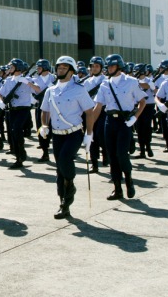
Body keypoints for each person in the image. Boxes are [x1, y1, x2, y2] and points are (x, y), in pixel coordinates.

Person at [39, 57, 95, 219]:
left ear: (71, 71)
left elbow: (89, 112)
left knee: (64, 160)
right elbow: (45, 110)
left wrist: (89, 134)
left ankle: (70, 186)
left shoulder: (79, 89)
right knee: (59, 170)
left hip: (74, 133)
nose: (60, 71)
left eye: (64, 68)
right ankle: (64, 203)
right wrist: (44, 125)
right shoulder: (51, 90)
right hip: (57, 135)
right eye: (59, 68)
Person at [92, 54, 146, 199]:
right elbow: (98, 107)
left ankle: (128, 181)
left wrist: (135, 117)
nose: (109, 68)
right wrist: (89, 128)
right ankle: (117, 188)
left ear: (119, 67)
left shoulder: (131, 82)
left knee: (122, 154)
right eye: (108, 66)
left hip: (124, 121)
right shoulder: (104, 84)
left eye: (112, 66)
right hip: (109, 121)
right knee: (112, 156)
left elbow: (142, 102)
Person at [0, 58, 33, 168]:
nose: (10, 69)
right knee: (13, 132)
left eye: (12, 67)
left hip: (23, 109)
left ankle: (20, 155)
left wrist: (28, 83)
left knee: (17, 129)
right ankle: (19, 155)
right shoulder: (8, 81)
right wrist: (1, 102)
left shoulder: (27, 79)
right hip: (12, 109)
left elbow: (38, 90)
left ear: (18, 68)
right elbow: (0, 93)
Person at [83, 56, 107, 173]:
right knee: (91, 136)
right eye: (92, 66)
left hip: (104, 111)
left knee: (102, 135)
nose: (94, 68)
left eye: (97, 66)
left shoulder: (106, 81)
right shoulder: (87, 82)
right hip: (90, 111)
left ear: (101, 68)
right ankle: (94, 163)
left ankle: (106, 154)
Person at [29, 59, 56, 162]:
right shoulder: (35, 79)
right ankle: (45, 152)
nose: (37, 70)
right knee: (41, 128)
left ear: (45, 68)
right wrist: (30, 84)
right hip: (41, 105)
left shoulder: (54, 78)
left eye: (39, 68)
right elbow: (36, 91)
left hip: (54, 105)